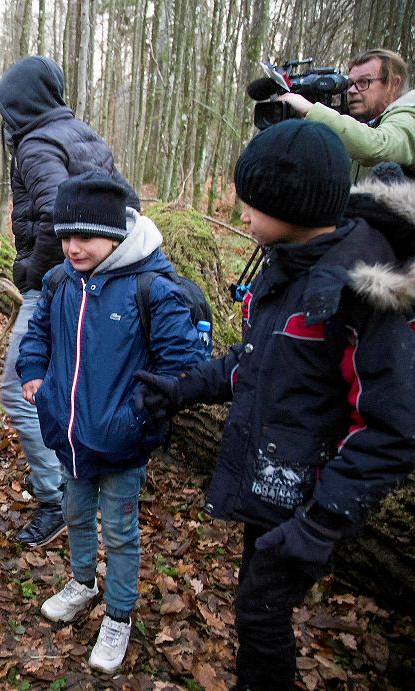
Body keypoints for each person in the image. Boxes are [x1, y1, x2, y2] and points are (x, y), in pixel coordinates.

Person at [135, 120, 415, 689]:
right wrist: (185, 388)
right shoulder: (287, 267)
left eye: (253, 204)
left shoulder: (359, 291)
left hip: (311, 501)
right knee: (254, 604)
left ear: (295, 205)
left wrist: (322, 521)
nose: (242, 214)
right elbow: (256, 359)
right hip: (272, 486)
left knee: (260, 615)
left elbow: (391, 427)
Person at [16, 171, 205, 674]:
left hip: (123, 444)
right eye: (65, 236)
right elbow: (38, 335)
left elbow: (179, 366)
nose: (72, 247)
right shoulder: (59, 281)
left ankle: (118, 614)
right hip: (69, 434)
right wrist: (35, 374)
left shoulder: (152, 288)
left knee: (119, 533)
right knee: (75, 514)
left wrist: (134, 415)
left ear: (115, 233)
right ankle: (83, 580)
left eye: (85, 236)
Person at [0, 56, 141, 548]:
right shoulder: (84, 133)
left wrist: (34, 274)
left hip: (61, 279)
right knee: (69, 379)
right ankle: (78, 483)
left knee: (18, 389)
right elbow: (127, 203)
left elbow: (61, 213)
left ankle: (55, 497)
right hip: (93, 277)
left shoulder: (36, 144)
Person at [277, 49, 415, 180]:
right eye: (350, 83)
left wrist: (310, 110)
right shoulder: (366, 124)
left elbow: (377, 147)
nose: (352, 91)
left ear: (393, 84)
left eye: (363, 82)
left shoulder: (408, 117)